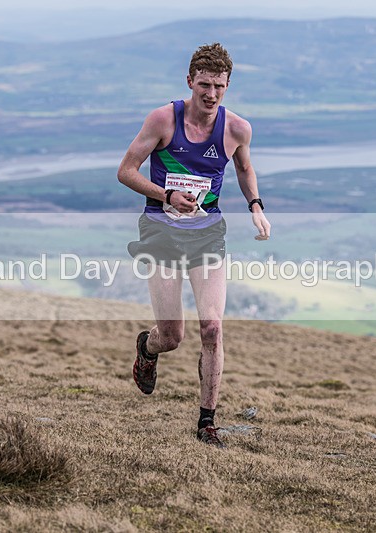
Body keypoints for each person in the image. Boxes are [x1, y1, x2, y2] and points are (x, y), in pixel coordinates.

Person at [117, 42, 271, 448]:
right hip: (161, 231)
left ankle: (207, 422)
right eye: (204, 84)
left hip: (207, 233)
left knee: (213, 327)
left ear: (228, 85)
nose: (211, 94)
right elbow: (125, 171)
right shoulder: (163, 120)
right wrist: (167, 196)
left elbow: (244, 166)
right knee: (172, 335)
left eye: (219, 86)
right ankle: (147, 350)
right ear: (190, 81)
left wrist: (255, 206)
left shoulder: (237, 128)